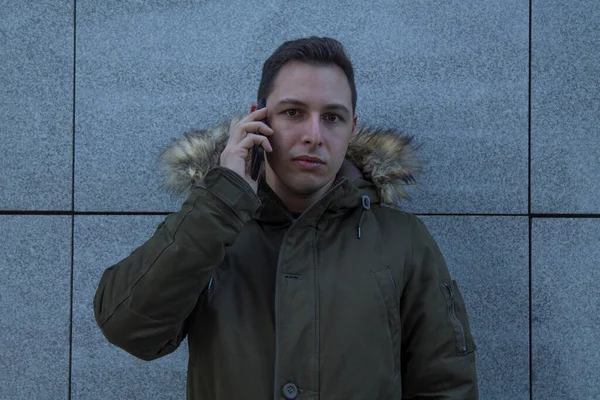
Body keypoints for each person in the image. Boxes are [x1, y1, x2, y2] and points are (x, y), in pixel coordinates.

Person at [94, 36, 478, 399]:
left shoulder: (402, 241)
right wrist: (220, 200)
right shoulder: (210, 225)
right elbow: (129, 329)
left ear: (351, 129)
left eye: (332, 117)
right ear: (258, 119)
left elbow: (446, 385)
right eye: (293, 112)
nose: (313, 135)